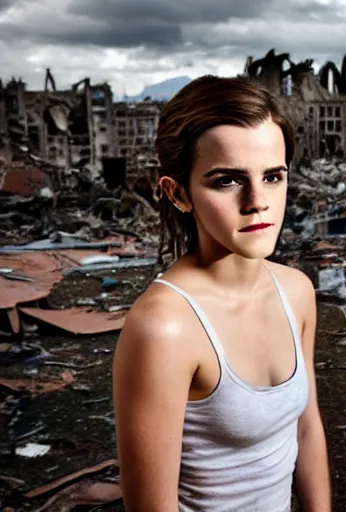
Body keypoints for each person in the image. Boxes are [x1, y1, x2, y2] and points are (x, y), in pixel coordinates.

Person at [113, 75, 331, 512]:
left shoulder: (297, 292)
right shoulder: (164, 327)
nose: (257, 201)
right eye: (227, 181)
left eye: (273, 176)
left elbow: (306, 429)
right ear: (178, 194)